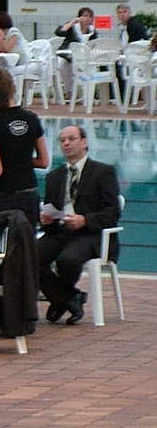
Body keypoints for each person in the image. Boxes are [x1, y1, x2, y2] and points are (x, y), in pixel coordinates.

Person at [38, 125, 121, 325]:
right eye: (63, 140)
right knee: (28, 254)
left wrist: (85, 220)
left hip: (91, 234)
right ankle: (68, 297)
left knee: (68, 260)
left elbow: (113, 212)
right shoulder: (54, 177)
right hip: (60, 231)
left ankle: (60, 299)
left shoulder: (103, 172)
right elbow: (52, 209)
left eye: (72, 138)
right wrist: (46, 220)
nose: (66, 143)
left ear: (84, 142)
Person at [0, 67, 48, 224]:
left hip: (5, 194)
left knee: (4, 242)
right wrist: (20, 160)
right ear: (12, 89)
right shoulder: (32, 119)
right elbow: (43, 162)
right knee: (28, 242)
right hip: (30, 191)